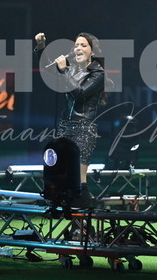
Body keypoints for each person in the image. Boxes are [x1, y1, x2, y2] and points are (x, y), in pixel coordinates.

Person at [35, 31, 107, 208]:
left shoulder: (98, 73)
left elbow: (79, 93)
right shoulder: (73, 69)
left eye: (83, 45)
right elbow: (47, 69)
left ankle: (84, 218)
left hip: (83, 128)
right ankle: (69, 217)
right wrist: (41, 47)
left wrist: (64, 70)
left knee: (79, 179)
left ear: (92, 51)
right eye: (76, 45)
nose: (78, 48)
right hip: (65, 126)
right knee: (62, 176)